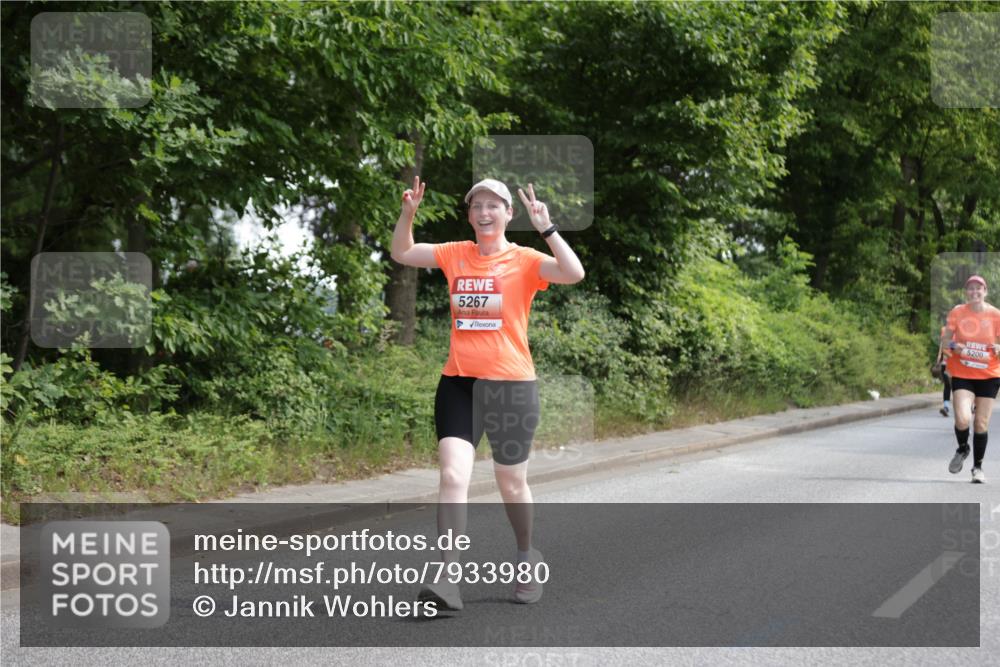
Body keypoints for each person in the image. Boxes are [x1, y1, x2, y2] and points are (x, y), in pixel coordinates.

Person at [390, 176, 585, 609]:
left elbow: (574, 273)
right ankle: (447, 578)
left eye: (492, 205)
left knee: (511, 484)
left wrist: (547, 229)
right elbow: (402, 252)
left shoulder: (526, 260)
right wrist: (408, 215)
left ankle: (524, 555)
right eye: (476, 206)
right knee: (453, 476)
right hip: (459, 383)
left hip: (512, 387)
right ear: (470, 215)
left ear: (507, 213)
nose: (483, 213)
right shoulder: (455, 253)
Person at [942, 275, 1000, 483]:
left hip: (989, 374)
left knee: (981, 423)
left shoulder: (995, 315)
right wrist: (953, 346)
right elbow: (946, 339)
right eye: (970, 289)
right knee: (963, 418)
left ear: (985, 291)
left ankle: (977, 468)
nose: (974, 292)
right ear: (966, 292)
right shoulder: (958, 312)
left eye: (979, 289)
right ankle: (963, 448)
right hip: (963, 373)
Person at [936, 326, 952, 417]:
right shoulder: (944, 329)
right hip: (946, 363)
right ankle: (946, 407)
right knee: (948, 385)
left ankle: (970, 406)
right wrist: (939, 358)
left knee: (954, 386)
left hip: (956, 365)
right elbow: (942, 345)